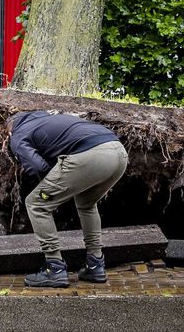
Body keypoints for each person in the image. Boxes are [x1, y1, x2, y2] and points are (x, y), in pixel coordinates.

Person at [7, 110, 129, 288]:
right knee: (87, 204)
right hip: (118, 152)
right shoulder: (50, 120)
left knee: (36, 204)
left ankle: (54, 269)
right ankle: (95, 265)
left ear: (9, 131)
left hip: (92, 156)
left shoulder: (17, 134)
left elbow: (37, 167)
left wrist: (51, 191)